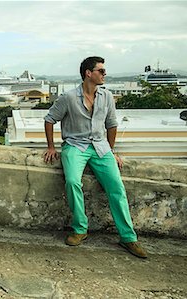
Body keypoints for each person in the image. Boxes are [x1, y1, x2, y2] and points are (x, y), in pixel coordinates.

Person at [43, 56, 147, 258]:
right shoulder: (69, 98)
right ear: (88, 73)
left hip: (101, 147)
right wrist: (51, 147)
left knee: (116, 187)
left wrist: (111, 150)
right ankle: (80, 228)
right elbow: (49, 120)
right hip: (75, 146)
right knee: (72, 181)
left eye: (104, 71)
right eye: (101, 71)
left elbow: (112, 125)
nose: (104, 74)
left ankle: (128, 237)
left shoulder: (107, 96)